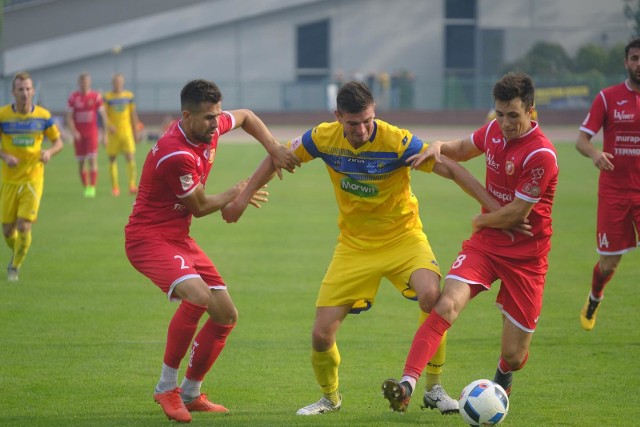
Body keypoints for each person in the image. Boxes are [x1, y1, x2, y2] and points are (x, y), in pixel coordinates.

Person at [222, 81, 507, 416]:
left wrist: (494, 209)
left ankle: (433, 388)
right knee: (320, 335)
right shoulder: (322, 137)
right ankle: (330, 399)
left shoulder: (397, 140)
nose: (361, 129)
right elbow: (276, 158)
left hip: (404, 238)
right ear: (338, 116)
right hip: (354, 247)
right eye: (353, 123)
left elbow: (452, 168)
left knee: (433, 298)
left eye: (368, 121)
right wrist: (241, 199)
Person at [124, 79, 299, 423]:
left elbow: (247, 116)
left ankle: (190, 392)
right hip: (148, 238)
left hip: (178, 236)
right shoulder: (176, 153)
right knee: (198, 296)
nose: (214, 124)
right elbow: (201, 206)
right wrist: (240, 190)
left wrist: (274, 147)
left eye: (216, 116)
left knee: (225, 314)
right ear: (186, 116)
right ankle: (166, 388)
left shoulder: (210, 125)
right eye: (207, 118)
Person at [381, 72, 558, 411]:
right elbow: (460, 150)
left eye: (513, 116)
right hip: (487, 245)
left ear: (531, 112)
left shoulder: (542, 155)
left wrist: (480, 219)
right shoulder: (493, 130)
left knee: (513, 355)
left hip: (527, 257)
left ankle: (500, 388)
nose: (505, 123)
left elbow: (515, 215)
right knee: (445, 305)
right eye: (500, 114)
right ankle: (407, 384)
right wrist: (438, 146)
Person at [576, 37, 640, 331]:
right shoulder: (607, 97)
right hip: (614, 192)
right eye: (635, 58)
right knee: (608, 265)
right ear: (626, 63)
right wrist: (596, 154)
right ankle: (594, 297)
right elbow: (581, 141)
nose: (639, 64)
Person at [0, 72, 64, 281]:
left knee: (24, 225)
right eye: (21, 89)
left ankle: (15, 267)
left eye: (28, 89)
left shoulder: (43, 116)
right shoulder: (3, 116)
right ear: (13, 92)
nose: (25, 93)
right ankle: (16, 250)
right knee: (8, 231)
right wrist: (4, 154)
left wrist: (48, 152)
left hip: (33, 179)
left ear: (33, 91)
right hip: (9, 180)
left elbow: (58, 142)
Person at [66, 72, 109, 198]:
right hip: (79, 135)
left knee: (92, 160)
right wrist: (74, 131)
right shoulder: (73, 97)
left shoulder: (96, 97)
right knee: (81, 163)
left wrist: (105, 135)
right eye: (82, 81)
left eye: (86, 81)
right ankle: (86, 186)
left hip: (92, 133)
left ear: (89, 82)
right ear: (79, 83)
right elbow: (69, 117)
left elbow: (104, 116)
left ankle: (92, 187)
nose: (84, 83)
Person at [103, 73, 141, 196]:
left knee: (130, 157)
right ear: (112, 83)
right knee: (112, 159)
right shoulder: (108, 97)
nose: (117, 84)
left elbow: (133, 114)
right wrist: (109, 126)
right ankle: (115, 187)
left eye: (119, 82)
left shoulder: (129, 96)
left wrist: (136, 130)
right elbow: (104, 115)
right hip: (113, 134)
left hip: (126, 132)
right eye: (115, 82)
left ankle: (132, 185)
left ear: (122, 83)